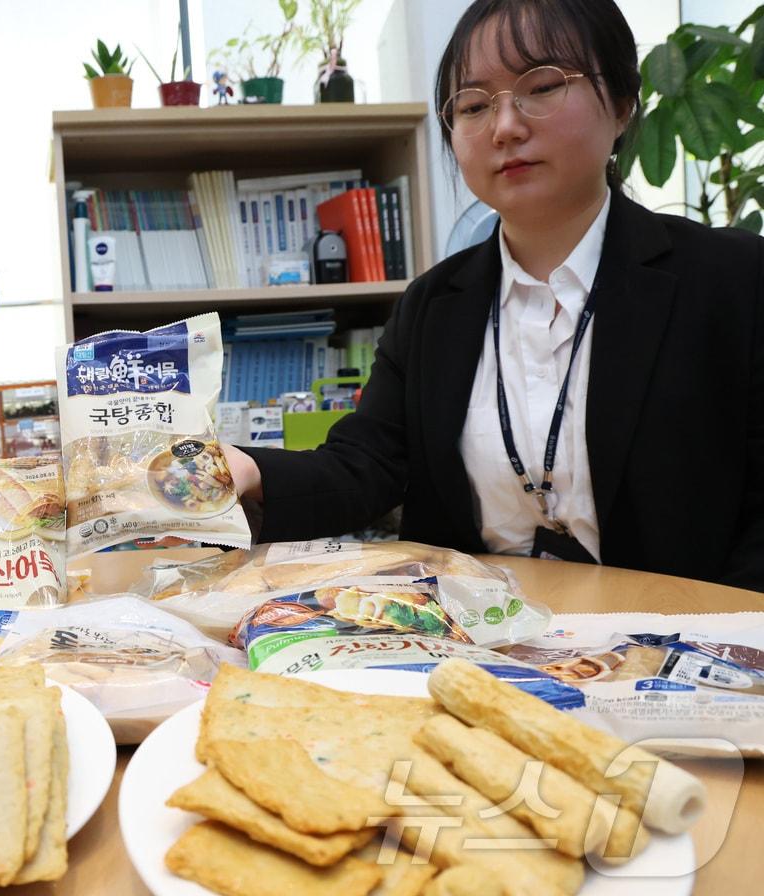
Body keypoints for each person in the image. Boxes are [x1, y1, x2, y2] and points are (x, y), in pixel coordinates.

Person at [222, 0, 764, 592]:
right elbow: (367, 466)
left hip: (682, 659)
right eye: (475, 105)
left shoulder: (735, 280)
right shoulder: (433, 304)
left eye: (543, 86)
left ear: (623, 104)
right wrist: (245, 471)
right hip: (480, 649)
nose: (505, 126)